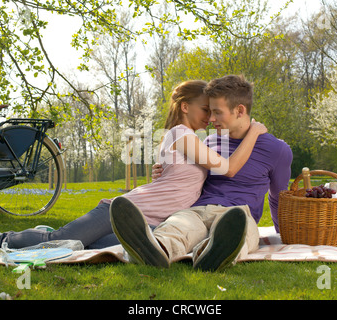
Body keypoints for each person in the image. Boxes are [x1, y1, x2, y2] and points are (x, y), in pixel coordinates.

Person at [0, 80, 267, 252]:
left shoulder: (187, 140)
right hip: (124, 208)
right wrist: (253, 131)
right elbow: (228, 169)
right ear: (186, 107)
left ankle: (44, 232)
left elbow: (178, 177)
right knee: (61, 242)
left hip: (150, 224)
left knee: (85, 247)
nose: (209, 116)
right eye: (206, 109)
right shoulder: (180, 134)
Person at [110, 74, 293, 272]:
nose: (211, 119)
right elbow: (187, 172)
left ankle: (210, 252)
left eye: (217, 112)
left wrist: (282, 233)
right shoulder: (209, 141)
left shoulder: (277, 150)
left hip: (238, 213)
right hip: (197, 210)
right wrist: (162, 172)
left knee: (242, 234)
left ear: (239, 110)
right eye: (209, 111)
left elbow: (279, 196)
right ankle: (154, 250)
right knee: (175, 229)